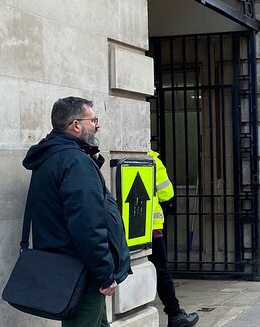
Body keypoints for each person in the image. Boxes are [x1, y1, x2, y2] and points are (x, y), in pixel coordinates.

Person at [22, 97, 130, 327]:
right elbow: (88, 225)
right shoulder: (74, 161)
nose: (97, 125)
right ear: (76, 125)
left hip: (68, 268)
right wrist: (104, 272)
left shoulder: (53, 156)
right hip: (83, 273)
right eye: (93, 120)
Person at [148, 151, 199, 327]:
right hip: (152, 228)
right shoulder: (152, 159)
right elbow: (166, 193)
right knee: (162, 272)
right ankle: (175, 314)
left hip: (127, 226)